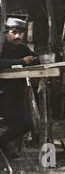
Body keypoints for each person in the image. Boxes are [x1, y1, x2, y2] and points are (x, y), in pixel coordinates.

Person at [0, 18, 39, 159]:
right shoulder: (1, 47)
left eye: (20, 33)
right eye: (14, 32)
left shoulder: (22, 48)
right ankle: (3, 144)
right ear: (5, 34)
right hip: (3, 93)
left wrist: (35, 59)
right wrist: (22, 61)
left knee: (27, 124)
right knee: (19, 124)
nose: (17, 36)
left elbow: (35, 59)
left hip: (18, 92)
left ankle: (3, 144)